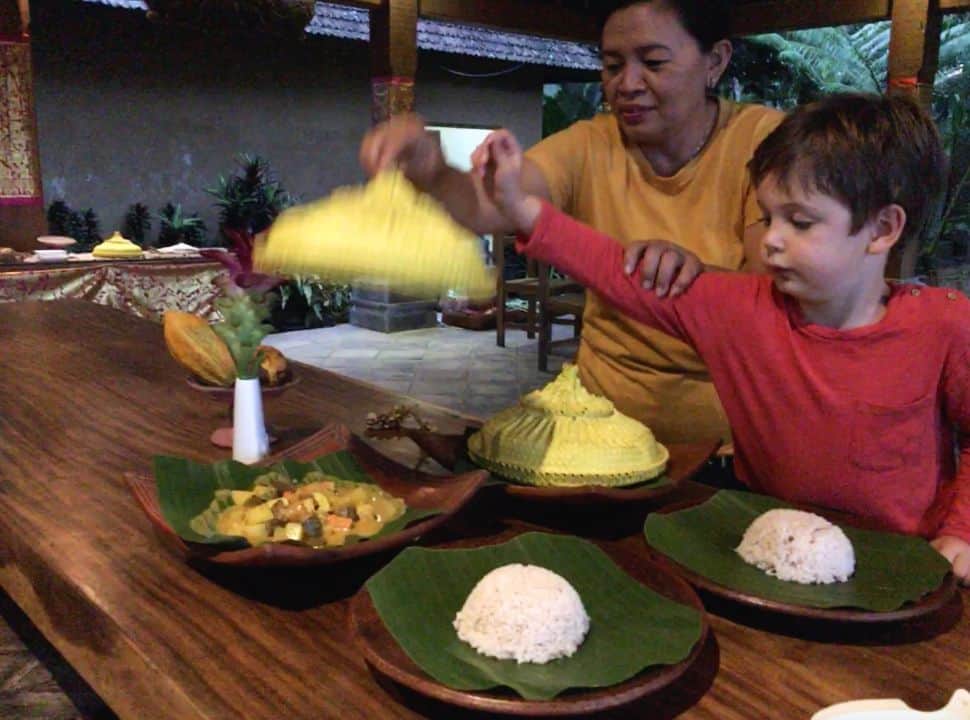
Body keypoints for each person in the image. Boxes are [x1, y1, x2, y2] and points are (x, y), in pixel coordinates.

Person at [480, 92, 970, 583]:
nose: (772, 239)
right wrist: (522, 209)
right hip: (763, 554)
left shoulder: (944, 326)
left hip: (902, 568)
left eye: (799, 222)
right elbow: (615, 272)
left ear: (882, 229)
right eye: (768, 216)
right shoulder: (742, 311)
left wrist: (962, 531)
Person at [359, 0, 784, 445]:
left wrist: (692, 272)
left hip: (732, 445)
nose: (628, 84)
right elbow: (497, 202)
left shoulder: (764, 143)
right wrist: (435, 173)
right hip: (601, 430)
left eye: (653, 62)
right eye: (613, 65)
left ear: (715, 60)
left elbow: (771, 301)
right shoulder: (591, 144)